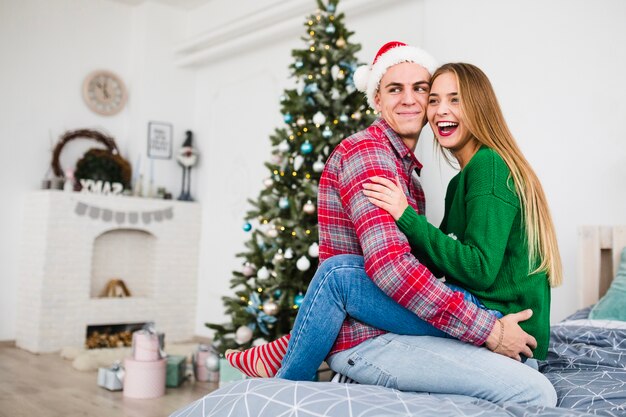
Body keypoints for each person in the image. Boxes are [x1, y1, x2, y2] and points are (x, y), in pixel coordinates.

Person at [226, 42, 558, 406]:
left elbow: (446, 264)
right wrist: (489, 330)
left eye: (423, 91)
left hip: (491, 321)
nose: (421, 103)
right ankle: (280, 400)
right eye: (397, 90)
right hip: (374, 335)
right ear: (377, 101)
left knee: (340, 276)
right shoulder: (373, 156)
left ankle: (287, 354)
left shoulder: (455, 171)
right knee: (339, 276)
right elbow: (394, 268)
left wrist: (408, 218)